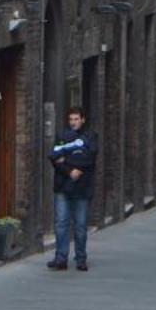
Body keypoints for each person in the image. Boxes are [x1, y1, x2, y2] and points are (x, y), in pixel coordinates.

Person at [46, 108, 98, 272]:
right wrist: (70, 171)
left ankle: (81, 258)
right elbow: (54, 158)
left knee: (80, 225)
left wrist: (66, 159)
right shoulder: (61, 136)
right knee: (61, 224)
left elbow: (89, 158)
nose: (73, 122)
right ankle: (61, 258)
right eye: (70, 119)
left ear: (83, 119)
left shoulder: (91, 137)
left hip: (82, 187)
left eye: (76, 119)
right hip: (62, 185)